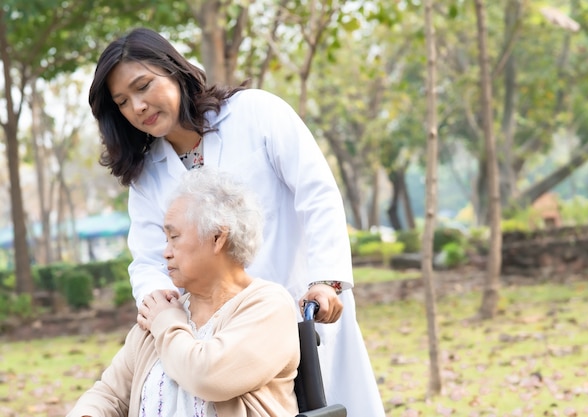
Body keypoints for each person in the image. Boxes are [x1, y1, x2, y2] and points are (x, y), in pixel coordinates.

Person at [88, 27, 385, 416]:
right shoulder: (146, 175)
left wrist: (326, 280)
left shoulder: (256, 113)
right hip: (220, 335)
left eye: (143, 86)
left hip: (298, 307)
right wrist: (161, 306)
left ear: (173, 69)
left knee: (328, 401)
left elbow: (317, 194)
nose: (138, 106)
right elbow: (147, 261)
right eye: (123, 102)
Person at [67, 168, 300, 417]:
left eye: (174, 237)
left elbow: (208, 376)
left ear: (217, 237)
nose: (165, 252)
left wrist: (166, 323)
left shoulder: (269, 306)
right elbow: (109, 393)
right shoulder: (164, 310)